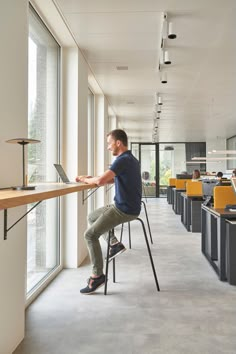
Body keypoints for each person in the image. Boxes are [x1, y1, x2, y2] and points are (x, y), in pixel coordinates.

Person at [76, 129, 142, 294]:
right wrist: (94, 178)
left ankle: (97, 276)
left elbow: (100, 181)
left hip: (124, 209)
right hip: (127, 206)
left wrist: (85, 179)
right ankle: (114, 243)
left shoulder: (122, 160)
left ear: (118, 143)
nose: (107, 147)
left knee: (89, 235)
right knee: (92, 216)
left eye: (109, 143)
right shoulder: (130, 159)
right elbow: (111, 178)